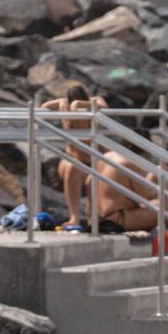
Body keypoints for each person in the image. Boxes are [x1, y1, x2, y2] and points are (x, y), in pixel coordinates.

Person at [44, 82, 109, 231]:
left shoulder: (94, 102)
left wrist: (80, 104)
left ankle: (93, 216)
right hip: (74, 159)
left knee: (94, 176)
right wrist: (62, 102)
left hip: (94, 161)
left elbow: (104, 107)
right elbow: (43, 107)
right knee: (72, 167)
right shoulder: (65, 104)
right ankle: (74, 216)